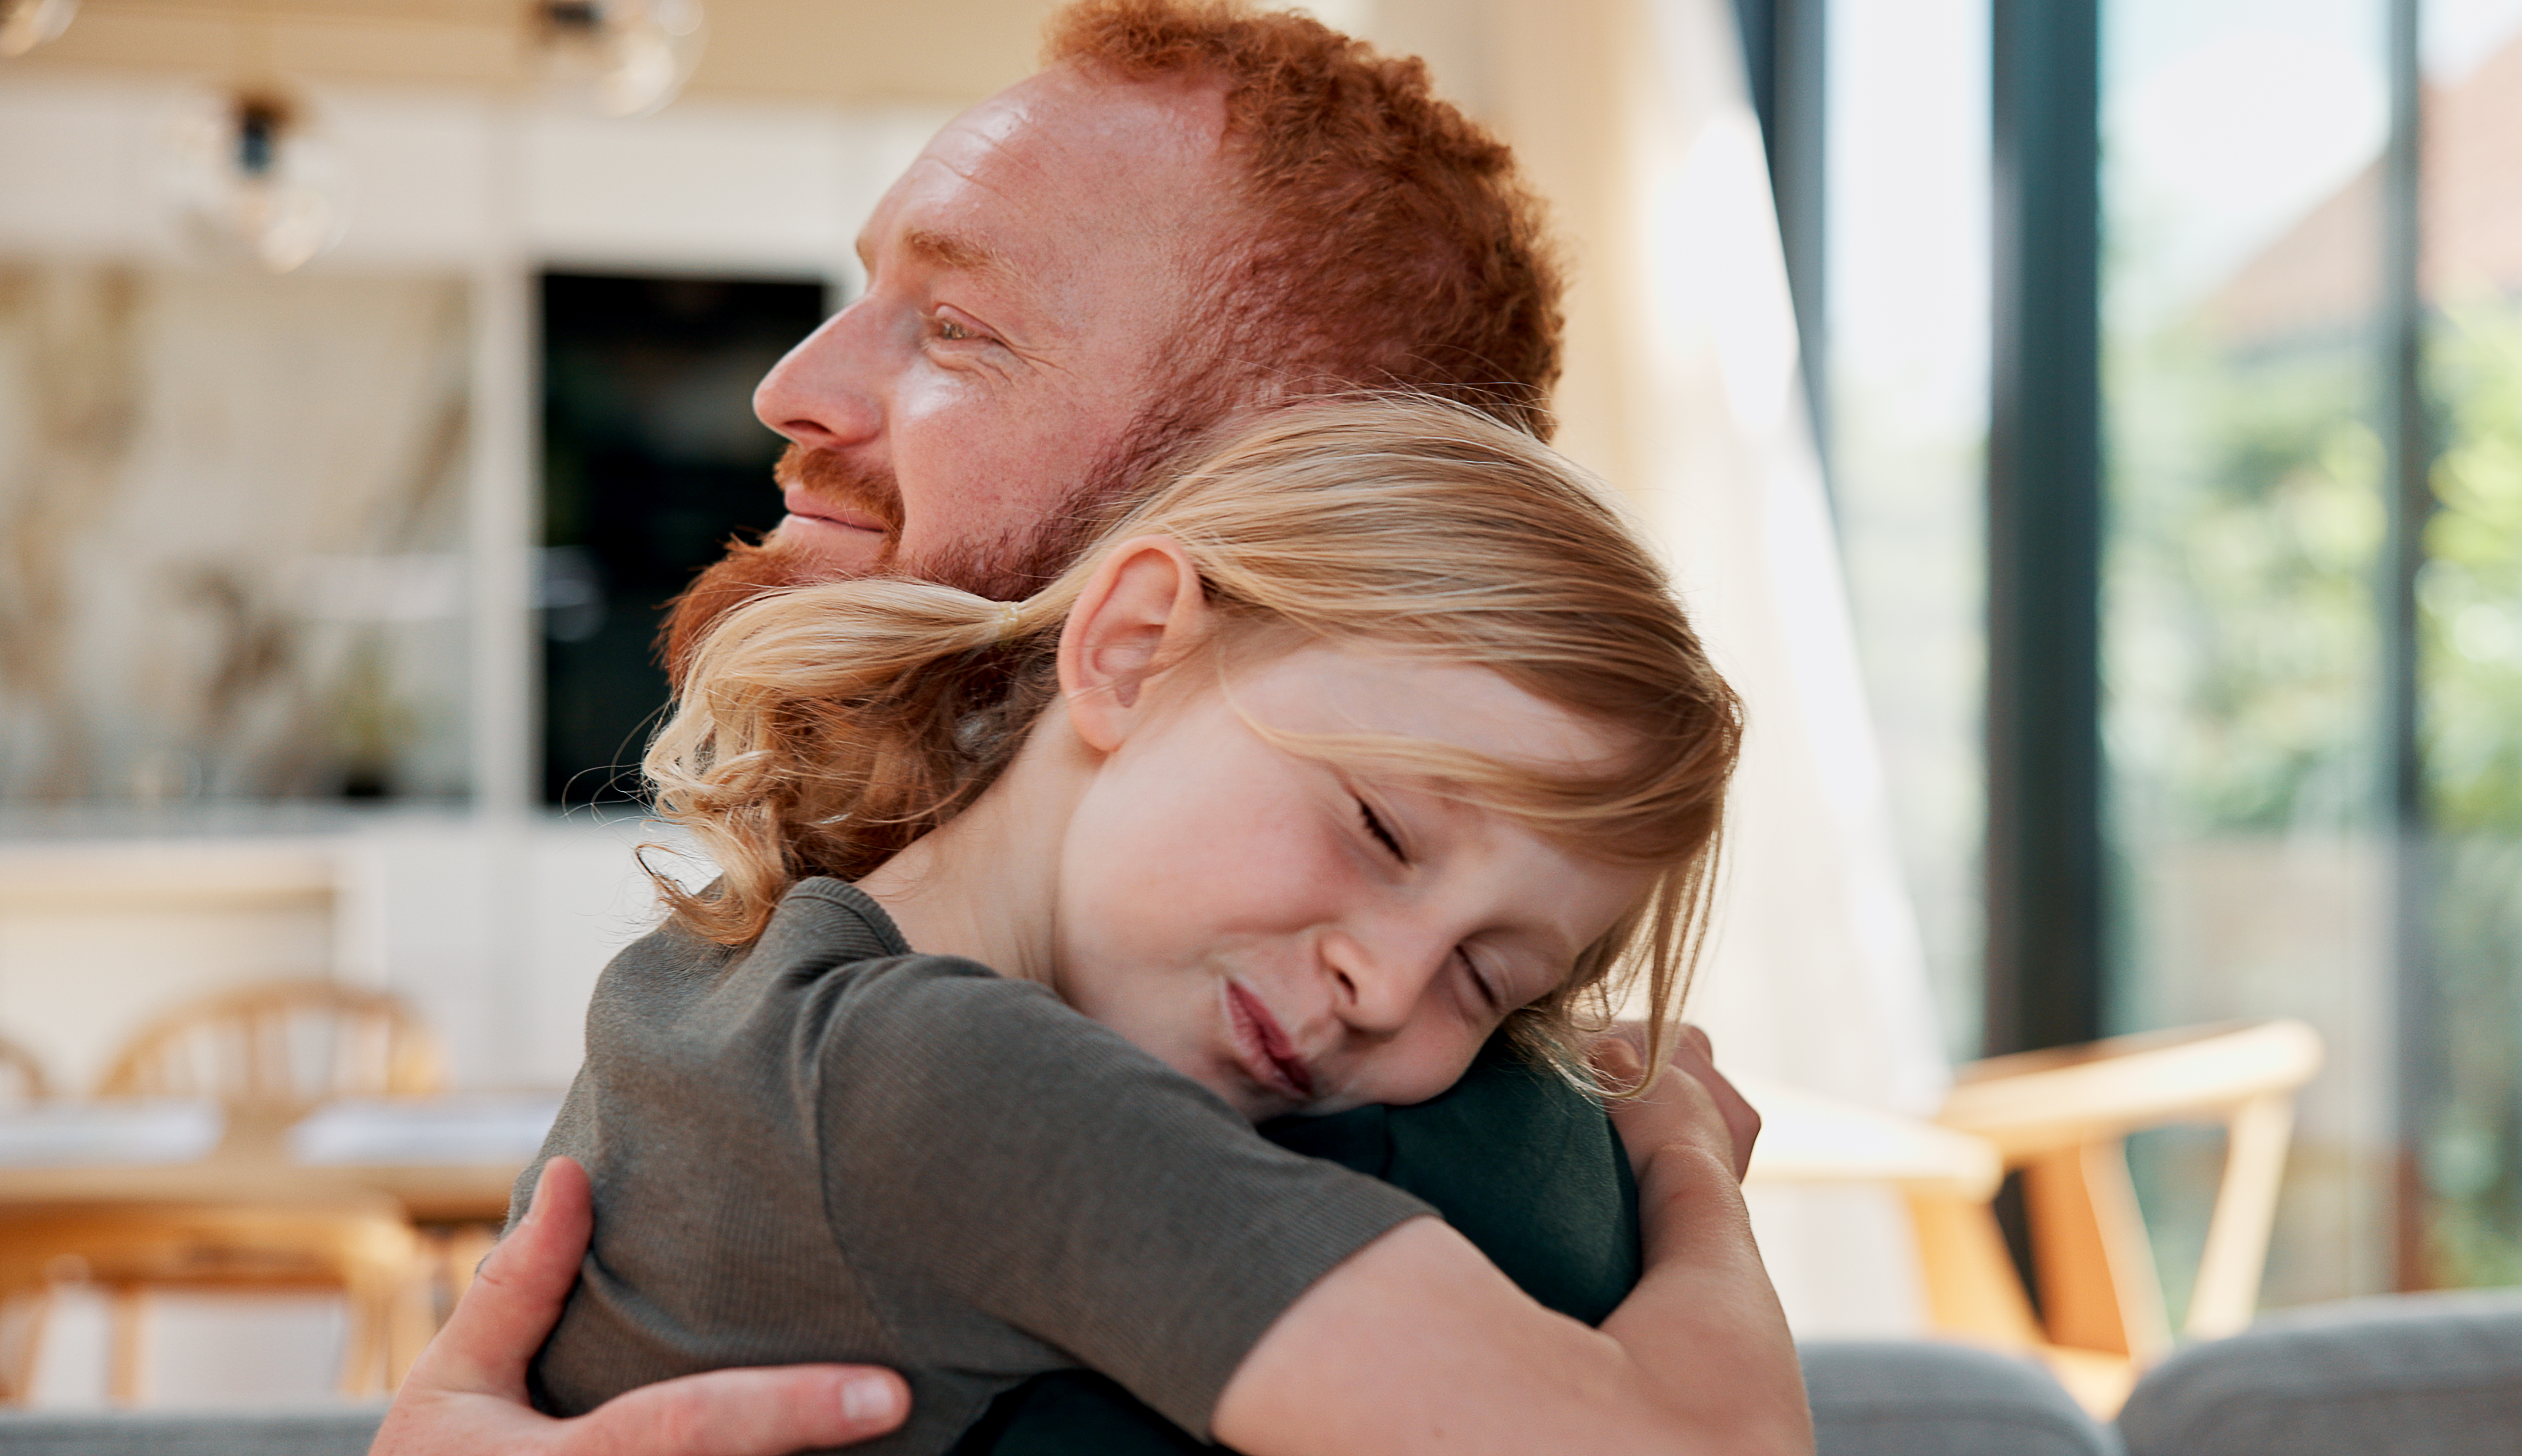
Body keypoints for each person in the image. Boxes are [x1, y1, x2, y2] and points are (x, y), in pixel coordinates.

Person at [372, 3, 1764, 1451]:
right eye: (1377, 832)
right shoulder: (907, 1044)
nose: (787, 390)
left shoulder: (1398, 1135)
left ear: (1266, 488)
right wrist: (1690, 1173)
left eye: (958, 330)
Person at [521, 400, 1800, 1456]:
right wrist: (1685, 1159)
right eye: (1381, 831)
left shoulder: (728, 986)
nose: (1386, 985)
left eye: (1486, 980)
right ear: (1132, 651)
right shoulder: (955, 1085)